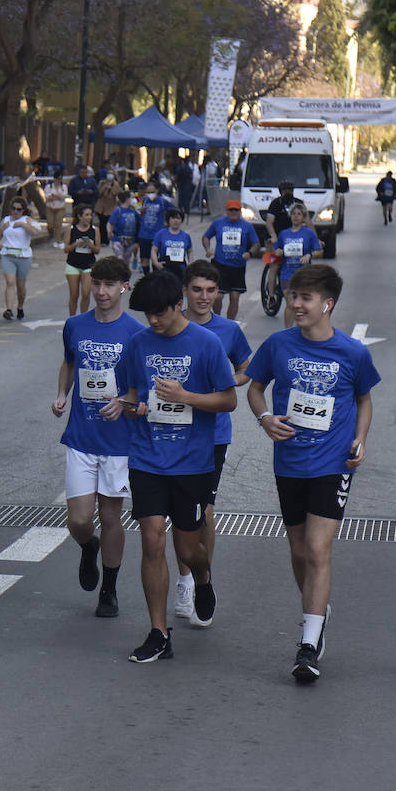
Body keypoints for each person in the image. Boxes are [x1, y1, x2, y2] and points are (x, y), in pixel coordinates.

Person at [245, 264, 380, 683]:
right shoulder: (278, 344)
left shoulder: (353, 352)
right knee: (300, 553)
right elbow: (254, 387)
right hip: (289, 462)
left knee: (319, 551)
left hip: (332, 463)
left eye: (305, 298)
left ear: (328, 304)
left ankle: (308, 643)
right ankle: (317, 611)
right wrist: (265, 418)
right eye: (292, 296)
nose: (296, 304)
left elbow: (364, 400)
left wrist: (359, 440)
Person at [102, 272, 236, 663]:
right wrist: (126, 407)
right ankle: (159, 632)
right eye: (147, 314)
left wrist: (186, 396)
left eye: (159, 313)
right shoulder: (137, 343)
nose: (153, 321)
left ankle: (203, 577)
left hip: (194, 461)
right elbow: (130, 394)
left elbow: (228, 400)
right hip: (147, 457)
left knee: (188, 546)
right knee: (153, 539)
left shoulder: (206, 344)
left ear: (178, 304)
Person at [52, 257, 141, 619]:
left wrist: (124, 403)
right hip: (81, 436)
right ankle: (89, 547)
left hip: (118, 442)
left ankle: (109, 587)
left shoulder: (136, 333)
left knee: (111, 516)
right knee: (79, 520)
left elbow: (139, 386)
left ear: (124, 287)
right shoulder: (75, 325)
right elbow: (69, 362)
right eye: (96, 284)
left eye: (109, 285)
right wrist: (61, 393)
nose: (101, 292)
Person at [174, 261, 251, 622]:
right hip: (170, 430)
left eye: (211, 290)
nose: (204, 297)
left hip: (212, 433)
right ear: (185, 292)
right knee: (177, 510)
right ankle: (184, 579)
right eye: (197, 290)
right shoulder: (171, 325)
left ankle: (202, 574)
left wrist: (227, 382)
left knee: (203, 508)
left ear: (218, 293)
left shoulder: (229, 330)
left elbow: (247, 367)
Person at [202, 199, 260, 319]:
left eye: (236, 210)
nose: (233, 212)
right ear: (226, 211)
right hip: (220, 265)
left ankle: (229, 323)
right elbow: (206, 237)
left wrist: (250, 253)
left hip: (237, 267)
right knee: (217, 296)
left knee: (234, 297)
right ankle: (217, 319)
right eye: (231, 210)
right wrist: (208, 249)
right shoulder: (218, 223)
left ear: (240, 211)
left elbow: (256, 244)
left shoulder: (247, 226)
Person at [274, 202, 322, 330]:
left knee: (302, 304)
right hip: (286, 274)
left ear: (303, 217)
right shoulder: (284, 234)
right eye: (294, 214)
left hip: (303, 275)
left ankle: (303, 328)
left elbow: (319, 250)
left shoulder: (309, 234)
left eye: (299, 214)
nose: (296, 217)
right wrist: (278, 252)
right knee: (290, 302)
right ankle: (288, 331)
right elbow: (276, 251)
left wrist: (309, 255)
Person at [0, 196, 41, 320]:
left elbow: (36, 232)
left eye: (19, 209)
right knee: (10, 282)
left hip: (23, 256)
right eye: (13, 209)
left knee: (21, 285)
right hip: (7, 254)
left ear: (23, 210)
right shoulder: (6, 220)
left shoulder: (27, 220)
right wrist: (1, 229)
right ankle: (9, 309)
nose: (15, 212)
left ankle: (20, 306)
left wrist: (23, 224)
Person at [63, 205, 101, 316]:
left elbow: (97, 250)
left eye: (91, 215)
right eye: (87, 215)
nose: (89, 217)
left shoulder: (95, 230)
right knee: (74, 294)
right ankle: (72, 318)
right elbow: (66, 249)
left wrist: (90, 245)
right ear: (80, 217)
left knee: (86, 293)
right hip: (73, 264)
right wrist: (76, 244)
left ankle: (82, 317)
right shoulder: (71, 229)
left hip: (88, 265)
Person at [150, 207, 191, 280]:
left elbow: (190, 251)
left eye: (178, 218)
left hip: (180, 269)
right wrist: (156, 263)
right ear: (168, 219)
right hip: (165, 268)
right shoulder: (160, 234)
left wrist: (190, 264)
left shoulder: (186, 236)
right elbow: (154, 250)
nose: (175, 220)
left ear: (181, 220)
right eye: (173, 218)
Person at [107, 190, 141, 268]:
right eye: (132, 197)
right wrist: (109, 232)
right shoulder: (118, 210)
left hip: (130, 240)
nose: (134, 200)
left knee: (126, 261)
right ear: (127, 198)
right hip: (118, 239)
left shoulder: (133, 211)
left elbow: (140, 221)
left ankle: (123, 277)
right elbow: (110, 223)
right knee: (120, 258)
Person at [95, 166, 121, 242]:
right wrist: (105, 187)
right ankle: (101, 239)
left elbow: (116, 193)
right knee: (101, 224)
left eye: (111, 174)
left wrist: (111, 188)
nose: (110, 176)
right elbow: (98, 193)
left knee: (108, 224)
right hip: (101, 207)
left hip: (111, 207)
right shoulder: (102, 183)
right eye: (108, 174)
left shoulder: (116, 184)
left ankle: (107, 239)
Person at [44, 169, 68, 242]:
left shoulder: (64, 187)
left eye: (60, 179)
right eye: (57, 179)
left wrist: (55, 196)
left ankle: (58, 239)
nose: (59, 180)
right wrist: (57, 196)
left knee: (58, 224)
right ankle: (51, 235)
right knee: (50, 223)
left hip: (60, 208)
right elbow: (47, 197)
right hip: (50, 208)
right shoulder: (49, 187)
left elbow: (63, 196)